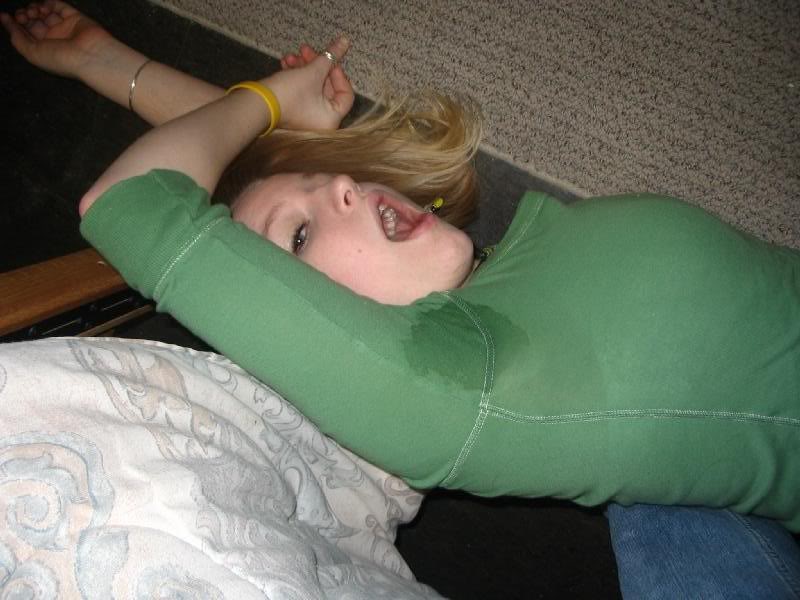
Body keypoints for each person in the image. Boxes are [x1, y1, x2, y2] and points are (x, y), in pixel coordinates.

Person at [4, 2, 800, 597]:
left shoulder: (500, 310)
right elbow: (136, 205)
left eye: (324, 177)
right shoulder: (449, 394)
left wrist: (105, 60)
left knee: (664, 513)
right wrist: (270, 94)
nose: (342, 185)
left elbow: (253, 178)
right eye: (301, 237)